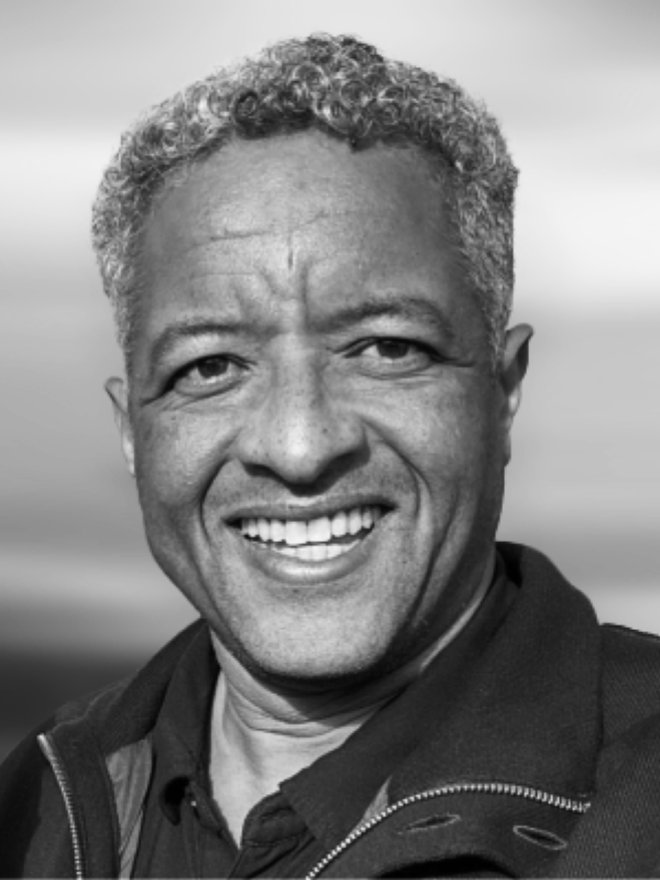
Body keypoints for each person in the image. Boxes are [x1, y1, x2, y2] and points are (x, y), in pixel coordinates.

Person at [2, 33, 660, 878]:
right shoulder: (35, 806)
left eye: (386, 349)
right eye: (210, 367)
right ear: (133, 430)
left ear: (503, 391)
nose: (300, 447)